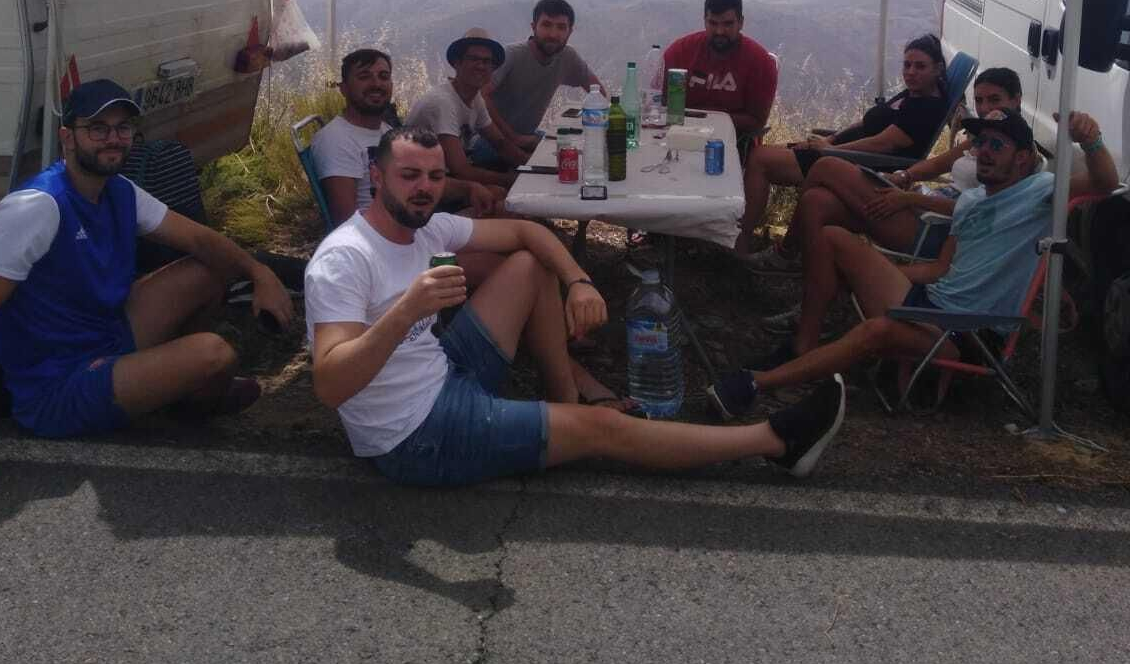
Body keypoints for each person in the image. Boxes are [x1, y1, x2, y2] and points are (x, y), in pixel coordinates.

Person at [306, 127, 848, 486]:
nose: (425, 189)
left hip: (444, 371)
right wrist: (406, 310)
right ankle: (775, 442)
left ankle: (564, 397)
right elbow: (330, 385)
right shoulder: (345, 259)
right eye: (409, 176)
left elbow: (523, 230)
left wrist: (579, 280)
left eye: (434, 176)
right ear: (376, 178)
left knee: (529, 263)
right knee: (601, 434)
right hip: (417, 435)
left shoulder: (425, 225)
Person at [0, 80, 296, 482]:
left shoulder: (119, 191)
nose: (113, 139)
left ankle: (173, 386)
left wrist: (262, 274)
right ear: (67, 137)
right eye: (98, 128)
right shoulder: (37, 207)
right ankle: (190, 393)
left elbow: (198, 239)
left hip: (103, 336)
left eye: (122, 129)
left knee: (210, 267)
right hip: (56, 387)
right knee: (215, 354)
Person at [708, 109, 1119, 416]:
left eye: (998, 145)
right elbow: (940, 269)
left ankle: (758, 384)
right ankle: (805, 345)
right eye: (981, 144)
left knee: (876, 331)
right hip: (933, 300)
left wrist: (1093, 140)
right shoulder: (971, 201)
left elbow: (1103, 183)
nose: (985, 153)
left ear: (1024, 159)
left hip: (968, 330)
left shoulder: (1039, 194)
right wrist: (874, 271)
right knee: (834, 238)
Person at [736, 33, 950, 260]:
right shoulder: (912, 94)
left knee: (760, 159)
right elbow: (866, 123)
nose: (911, 72)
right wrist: (831, 139)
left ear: (937, 69)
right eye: (907, 65)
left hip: (859, 163)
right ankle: (758, 239)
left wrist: (832, 150)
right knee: (762, 152)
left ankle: (742, 241)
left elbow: (883, 143)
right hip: (840, 150)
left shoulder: (926, 108)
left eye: (920, 66)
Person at [805, 66, 1027, 259]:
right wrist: (903, 177)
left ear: (1016, 100)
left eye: (994, 99)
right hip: (924, 207)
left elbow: (979, 211)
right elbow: (936, 165)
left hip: (939, 229)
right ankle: (796, 261)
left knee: (827, 166)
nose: (985, 108)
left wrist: (910, 199)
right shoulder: (982, 139)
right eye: (979, 100)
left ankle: (786, 256)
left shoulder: (1017, 155)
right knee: (818, 201)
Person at [314, 48, 504, 223]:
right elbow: (345, 220)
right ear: (344, 89)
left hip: (415, 220)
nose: (376, 84)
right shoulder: (337, 139)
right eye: (364, 77)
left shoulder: (385, 130)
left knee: (499, 205)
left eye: (383, 76)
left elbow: (420, 181)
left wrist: (469, 189)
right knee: (512, 239)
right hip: (389, 237)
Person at [471, 0, 601, 166]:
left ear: (570, 32)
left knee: (572, 153)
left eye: (561, 27)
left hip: (528, 136)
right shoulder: (511, 54)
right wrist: (514, 137)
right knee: (549, 165)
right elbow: (481, 95)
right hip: (488, 140)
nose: (553, 34)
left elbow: (597, 91)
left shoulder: (568, 56)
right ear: (534, 27)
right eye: (546, 25)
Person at [406, 28, 532, 190]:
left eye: (487, 62)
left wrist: (533, 166)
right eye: (473, 59)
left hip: (442, 176)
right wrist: (512, 180)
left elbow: (500, 143)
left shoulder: (475, 98)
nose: (481, 66)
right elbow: (461, 170)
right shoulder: (442, 102)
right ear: (457, 63)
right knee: (501, 195)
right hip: (420, 184)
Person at [663, 0, 779, 153]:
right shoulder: (679, 53)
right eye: (713, 23)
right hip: (680, 138)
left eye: (728, 24)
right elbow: (664, 105)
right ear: (704, 21)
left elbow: (756, 121)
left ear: (741, 23)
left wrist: (710, 121)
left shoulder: (760, 62)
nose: (719, 31)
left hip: (734, 143)